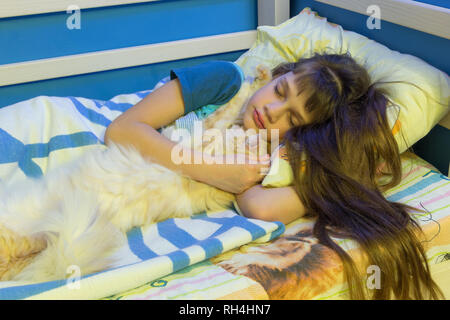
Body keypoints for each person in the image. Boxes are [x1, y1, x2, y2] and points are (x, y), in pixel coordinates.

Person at [104, 53, 443, 300]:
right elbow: (121, 130)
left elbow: (260, 208)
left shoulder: (268, 150)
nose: (272, 111)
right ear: (278, 74)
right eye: (280, 92)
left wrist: (352, 178)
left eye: (293, 119)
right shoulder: (224, 80)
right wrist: (215, 172)